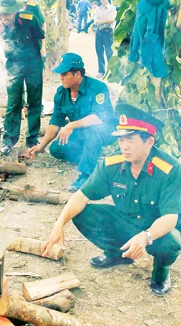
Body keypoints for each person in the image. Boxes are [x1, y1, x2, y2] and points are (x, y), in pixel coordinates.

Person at [41, 104, 181, 297]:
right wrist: (59, 225)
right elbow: (81, 196)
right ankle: (118, 253)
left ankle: (161, 271)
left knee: (172, 241)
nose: (124, 146)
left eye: (130, 139)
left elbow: (169, 218)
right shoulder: (111, 164)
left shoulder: (169, 169)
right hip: (128, 220)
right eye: (121, 139)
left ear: (149, 141)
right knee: (82, 213)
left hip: (158, 229)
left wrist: (145, 237)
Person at [28, 53, 117, 191]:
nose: (61, 78)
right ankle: (91, 154)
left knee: (93, 132)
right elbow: (55, 122)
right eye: (60, 74)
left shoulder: (98, 88)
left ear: (77, 74)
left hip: (105, 128)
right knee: (56, 149)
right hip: (82, 131)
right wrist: (41, 146)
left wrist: (71, 125)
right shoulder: (61, 93)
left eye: (65, 74)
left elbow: (98, 118)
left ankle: (86, 176)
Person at [0, 0, 45, 155]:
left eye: (7, 14)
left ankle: (33, 139)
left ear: (15, 12)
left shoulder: (29, 18)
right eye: (1, 14)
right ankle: (9, 140)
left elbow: (41, 35)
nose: (4, 17)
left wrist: (43, 52)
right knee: (13, 103)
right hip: (13, 65)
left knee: (34, 101)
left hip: (33, 63)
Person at [94, 0, 116, 78]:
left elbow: (111, 21)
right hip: (99, 31)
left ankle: (112, 71)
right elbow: (96, 22)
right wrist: (105, 20)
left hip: (108, 32)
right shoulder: (97, 9)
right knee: (99, 51)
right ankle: (101, 71)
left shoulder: (112, 9)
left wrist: (101, 21)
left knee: (109, 52)